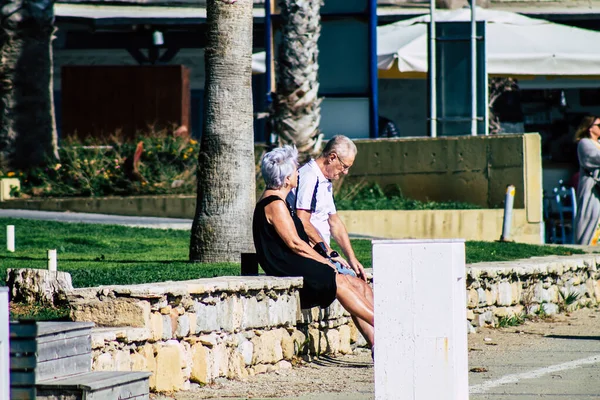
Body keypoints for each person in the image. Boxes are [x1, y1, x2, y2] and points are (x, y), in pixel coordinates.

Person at [253, 145, 375, 352]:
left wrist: (328, 256)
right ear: (285, 178)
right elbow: (295, 244)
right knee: (337, 278)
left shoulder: (280, 201)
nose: (297, 173)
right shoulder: (274, 203)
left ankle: (379, 338)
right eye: (294, 170)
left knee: (355, 283)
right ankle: (387, 325)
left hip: (292, 260)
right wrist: (325, 261)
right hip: (285, 264)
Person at [574, 115, 600, 245]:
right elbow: (593, 159)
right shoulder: (585, 143)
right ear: (590, 128)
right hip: (592, 188)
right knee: (592, 215)